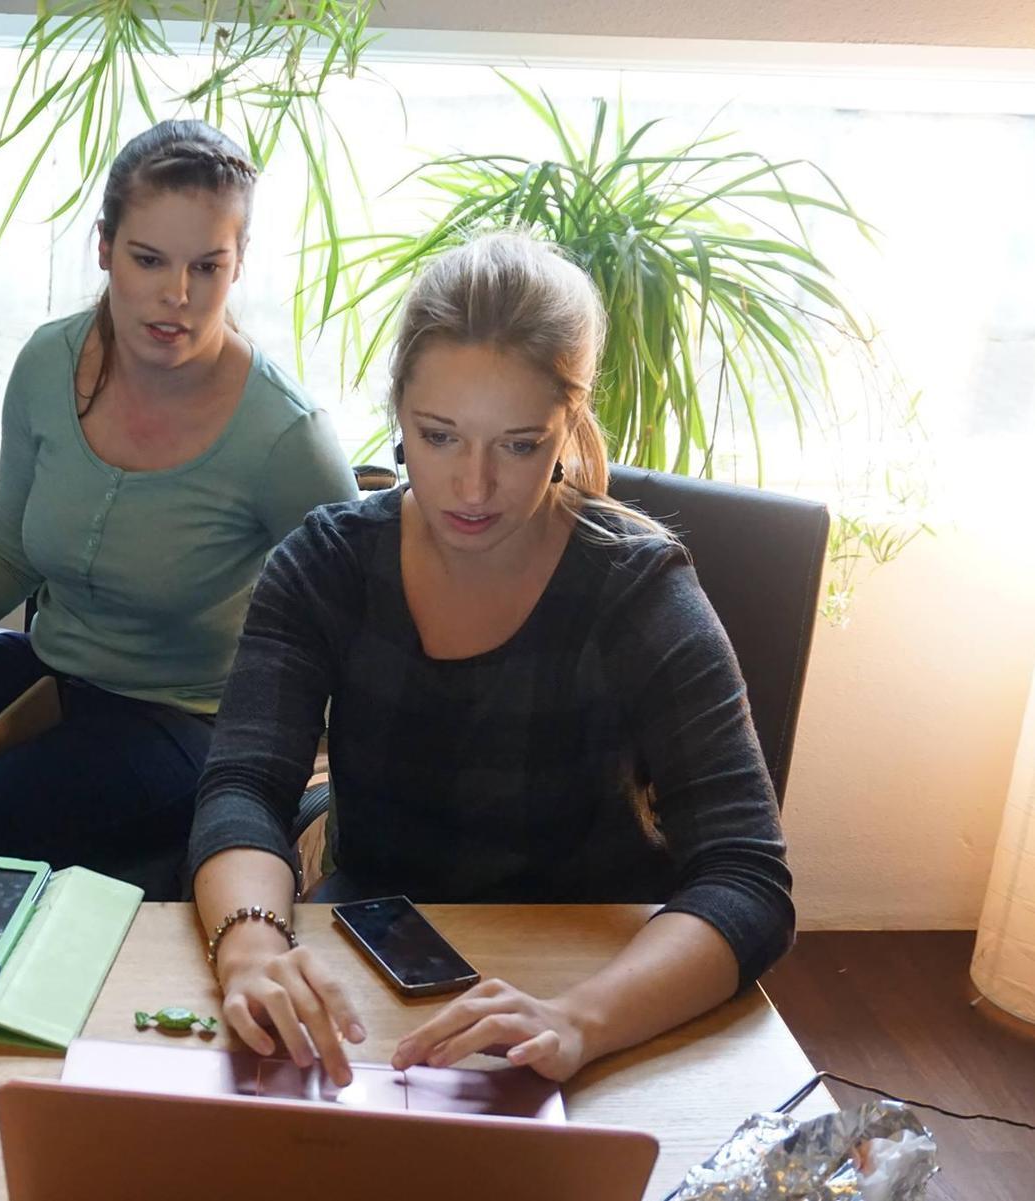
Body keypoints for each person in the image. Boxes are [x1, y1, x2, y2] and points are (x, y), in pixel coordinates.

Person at [188, 232, 795, 1085]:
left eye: (518, 444)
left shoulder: (636, 588)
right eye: (439, 436)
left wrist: (578, 1019)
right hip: (375, 967)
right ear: (398, 411)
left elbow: (748, 876)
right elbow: (244, 786)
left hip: (597, 979)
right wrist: (251, 948)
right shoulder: (327, 563)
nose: (473, 488)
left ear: (569, 427)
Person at [0, 121, 358, 899]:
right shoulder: (45, 363)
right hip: (49, 675)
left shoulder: (285, 435)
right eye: (148, 259)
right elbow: (7, 548)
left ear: (239, 264)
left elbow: (358, 620)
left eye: (208, 266)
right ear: (104, 247)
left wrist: (330, 782)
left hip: (187, 721)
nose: (178, 295)